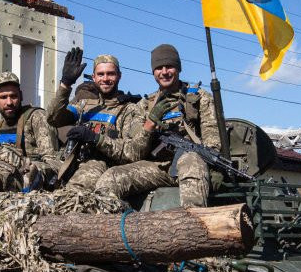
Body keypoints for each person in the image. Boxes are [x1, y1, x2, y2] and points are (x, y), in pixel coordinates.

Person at [94, 44, 220, 208]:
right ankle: (111, 227)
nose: (165, 72)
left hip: (190, 165)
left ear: (178, 68)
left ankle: (192, 225)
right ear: (153, 72)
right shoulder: (145, 105)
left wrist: (212, 169)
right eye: (159, 68)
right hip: (157, 167)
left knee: (191, 160)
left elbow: (213, 141)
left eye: (170, 66)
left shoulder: (199, 97)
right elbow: (134, 152)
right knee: (110, 178)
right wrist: (150, 123)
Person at [46, 48, 143, 190]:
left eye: (110, 74)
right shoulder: (84, 105)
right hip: (69, 159)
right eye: (101, 74)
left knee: (73, 192)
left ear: (119, 76)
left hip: (100, 164)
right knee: (36, 172)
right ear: (93, 77)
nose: (105, 79)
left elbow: (130, 153)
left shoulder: (128, 110)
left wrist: (94, 138)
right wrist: (65, 84)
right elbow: (53, 117)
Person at [0, 71, 61, 187]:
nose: (9, 102)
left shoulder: (36, 118)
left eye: (13, 96)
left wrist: (30, 170)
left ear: (21, 96)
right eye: (3, 97)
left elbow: (54, 163)